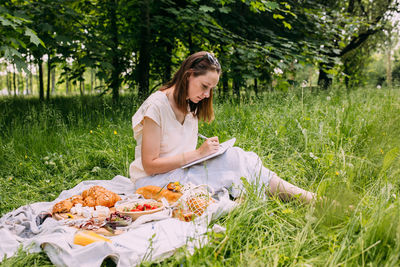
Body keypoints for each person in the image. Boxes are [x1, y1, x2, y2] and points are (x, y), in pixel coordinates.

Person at [130, 51, 315, 203]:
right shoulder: (156, 106)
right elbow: (150, 165)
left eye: (211, 89)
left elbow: (179, 153)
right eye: (204, 86)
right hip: (154, 181)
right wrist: (198, 154)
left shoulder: (188, 106)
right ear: (188, 76)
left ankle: (307, 199)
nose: (207, 94)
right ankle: (311, 200)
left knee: (241, 158)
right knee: (236, 160)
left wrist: (208, 153)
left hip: (178, 173)